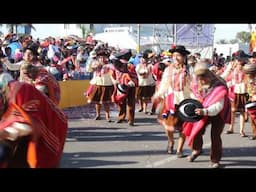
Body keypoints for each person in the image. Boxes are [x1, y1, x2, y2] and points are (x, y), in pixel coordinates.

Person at [0, 80, 68, 168]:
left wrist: (5, 133)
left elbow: (27, 127)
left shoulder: (20, 91)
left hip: (51, 125)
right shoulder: (7, 106)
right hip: (26, 129)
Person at [183, 61, 231, 168]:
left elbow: (218, 107)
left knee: (215, 136)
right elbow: (193, 94)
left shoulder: (219, 86)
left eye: (203, 78)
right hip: (203, 110)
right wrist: (195, 104)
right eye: (198, 78)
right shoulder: (196, 83)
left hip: (219, 113)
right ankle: (196, 149)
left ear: (208, 75)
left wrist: (205, 111)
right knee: (196, 130)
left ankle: (215, 160)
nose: (201, 81)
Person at [111, 50, 138, 126]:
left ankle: (128, 119)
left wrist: (131, 82)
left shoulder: (129, 66)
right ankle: (125, 118)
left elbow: (134, 76)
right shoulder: (116, 66)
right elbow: (112, 75)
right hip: (122, 85)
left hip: (127, 86)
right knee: (124, 102)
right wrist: (114, 81)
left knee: (128, 102)